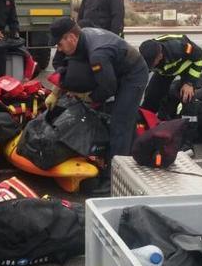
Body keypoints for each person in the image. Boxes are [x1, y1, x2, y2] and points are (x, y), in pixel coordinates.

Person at [49, 17, 148, 191]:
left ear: (71, 37)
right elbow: (64, 67)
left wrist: (87, 97)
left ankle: (113, 178)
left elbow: (108, 88)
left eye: (59, 45)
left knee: (120, 122)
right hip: (114, 70)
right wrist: (56, 92)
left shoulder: (97, 54)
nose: (59, 49)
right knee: (117, 119)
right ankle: (134, 152)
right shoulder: (79, 40)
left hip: (133, 75)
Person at [138, 34, 202, 113]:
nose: (152, 66)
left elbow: (201, 58)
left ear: (160, 55)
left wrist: (189, 83)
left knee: (186, 96)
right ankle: (148, 121)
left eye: (153, 63)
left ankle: (184, 121)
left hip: (187, 69)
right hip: (166, 71)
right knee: (152, 95)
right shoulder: (148, 52)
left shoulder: (180, 47)